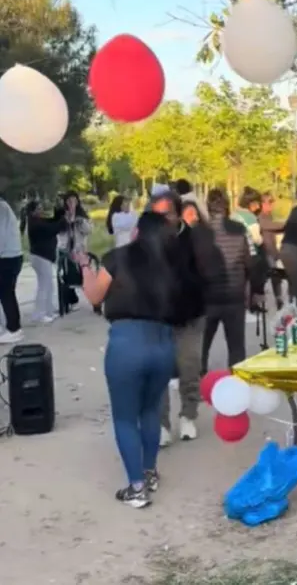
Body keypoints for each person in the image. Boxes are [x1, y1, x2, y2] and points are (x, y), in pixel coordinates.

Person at [76, 211, 185, 508]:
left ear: (137, 232)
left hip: (127, 343)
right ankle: (149, 472)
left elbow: (95, 296)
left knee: (125, 417)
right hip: (163, 344)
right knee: (150, 411)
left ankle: (136, 488)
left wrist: (86, 267)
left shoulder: (118, 257)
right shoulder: (171, 267)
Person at [148, 190, 215, 445]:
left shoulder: (196, 239)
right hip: (158, 318)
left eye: (167, 214)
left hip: (191, 315)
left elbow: (208, 273)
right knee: (159, 372)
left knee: (189, 367)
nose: (162, 220)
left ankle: (188, 414)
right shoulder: (147, 241)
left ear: (178, 214)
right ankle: (162, 424)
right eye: (157, 215)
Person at [201, 189, 266, 373]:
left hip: (206, 298)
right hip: (234, 296)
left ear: (208, 207)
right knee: (236, 346)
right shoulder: (239, 230)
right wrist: (257, 290)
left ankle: (199, 384)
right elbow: (253, 262)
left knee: (202, 346)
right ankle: (237, 384)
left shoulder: (199, 232)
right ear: (228, 207)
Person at [22, 200, 67, 325]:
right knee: (44, 286)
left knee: (48, 285)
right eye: (39, 208)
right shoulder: (35, 224)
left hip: (43, 257)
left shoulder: (38, 221)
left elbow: (52, 221)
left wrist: (58, 212)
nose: (41, 210)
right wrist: (63, 220)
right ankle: (39, 314)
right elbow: (52, 228)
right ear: (32, 211)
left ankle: (48, 311)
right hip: (40, 257)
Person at [55, 192, 92, 311]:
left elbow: (89, 230)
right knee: (65, 275)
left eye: (74, 200)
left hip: (79, 249)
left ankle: (94, 297)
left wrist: (79, 222)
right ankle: (70, 300)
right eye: (69, 201)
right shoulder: (61, 215)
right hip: (65, 249)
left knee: (83, 275)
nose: (71, 203)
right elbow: (58, 231)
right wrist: (67, 220)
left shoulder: (82, 215)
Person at [255, 192, 286, 308]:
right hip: (265, 251)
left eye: (271, 204)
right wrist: (286, 224)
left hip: (272, 251)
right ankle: (258, 300)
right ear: (262, 204)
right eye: (269, 204)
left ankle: (278, 298)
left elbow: (273, 228)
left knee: (276, 276)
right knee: (267, 276)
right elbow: (268, 225)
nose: (271, 207)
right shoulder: (260, 217)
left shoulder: (269, 215)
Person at [0, 198, 23, 343]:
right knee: (6, 293)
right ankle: (11, 326)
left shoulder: (1, 207)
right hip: (11, 255)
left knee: (6, 293)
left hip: (7, 257)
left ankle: (14, 329)